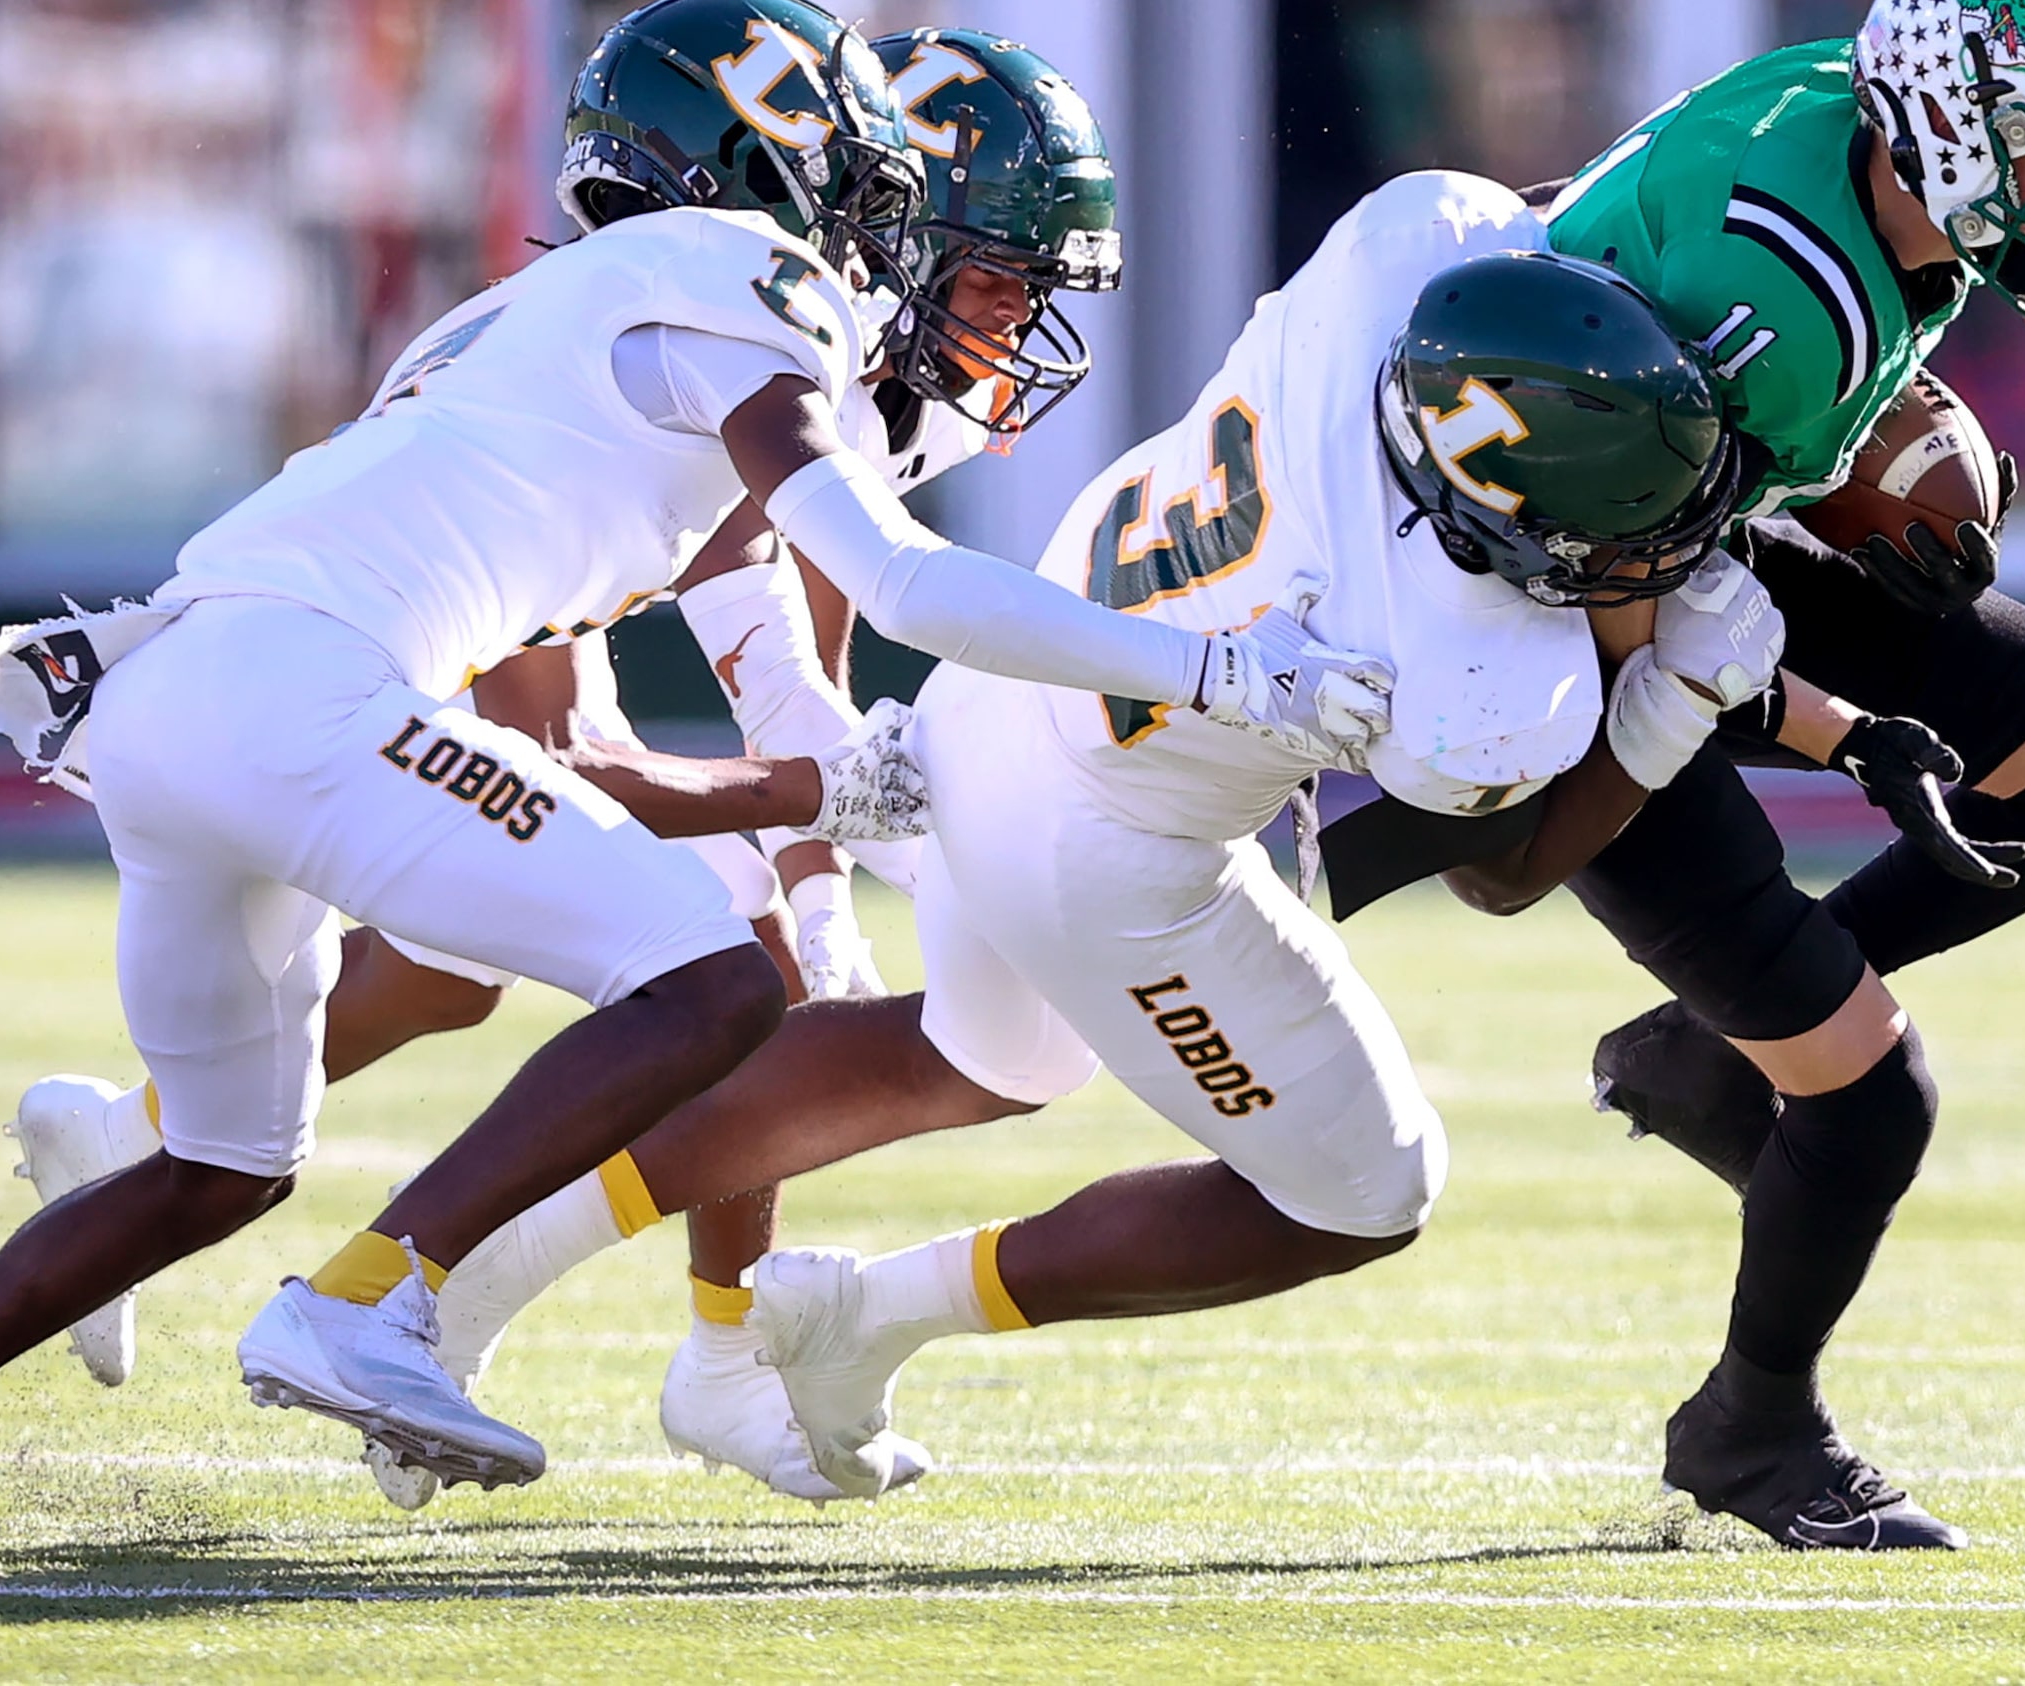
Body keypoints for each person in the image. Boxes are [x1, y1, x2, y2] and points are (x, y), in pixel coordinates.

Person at [0, 0, 1379, 1560]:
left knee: (218, 1167)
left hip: (176, 702)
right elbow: (902, 582)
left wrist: (813, 799)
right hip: (305, 693)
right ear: (782, 169)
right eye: (862, 184)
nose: (873, 228)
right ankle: (382, 1293)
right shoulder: (744, 270)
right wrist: (1214, 666)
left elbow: (563, 753)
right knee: (713, 981)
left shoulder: (522, 325)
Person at [313, 172, 1788, 1505]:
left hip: (1008, 686)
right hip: (1109, 854)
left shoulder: (1409, 248)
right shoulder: (1487, 681)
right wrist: (1669, 700)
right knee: (1369, 1187)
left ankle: (474, 1269)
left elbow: (1551, 212)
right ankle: (867, 1314)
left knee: (983, 1051)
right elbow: (1504, 870)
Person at [0, 24, 1129, 1509]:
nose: (1013, 318)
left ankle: (137, 1137)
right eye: (994, 273)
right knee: (729, 939)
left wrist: (825, 814)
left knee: (485, 966)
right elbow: (754, 631)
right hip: (448, 572)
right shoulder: (775, 318)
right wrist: (820, 842)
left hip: (509, 566)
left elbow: (818, 623)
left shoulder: (871, 357)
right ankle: (571, 1329)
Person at [1324, 0, 2025, 1551]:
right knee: (1871, 1096)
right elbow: (1632, 613)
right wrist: (1843, 729)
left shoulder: (1833, 114)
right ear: (1950, 113)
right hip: (1530, 626)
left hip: (1666, 524)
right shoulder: (1791, 310)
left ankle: (1708, 1050)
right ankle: (1753, 1430)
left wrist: (1872, 446)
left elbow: (1694, 403)